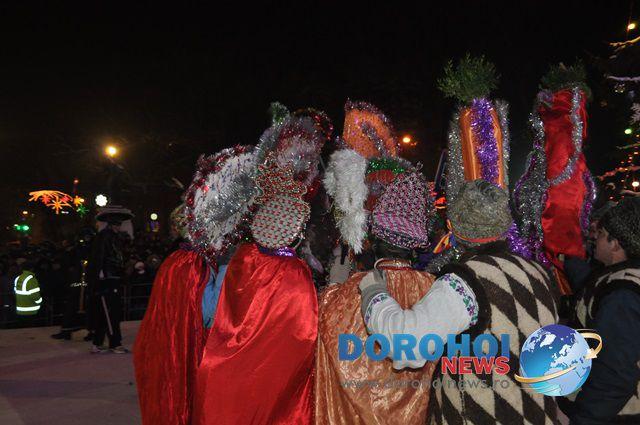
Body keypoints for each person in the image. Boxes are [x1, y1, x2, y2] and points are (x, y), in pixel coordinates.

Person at [361, 180, 560, 424]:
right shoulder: (539, 272)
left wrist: (373, 292)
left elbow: (406, 345)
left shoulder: (465, 281)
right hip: (538, 414)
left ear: (452, 227)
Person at [192, 159, 318, 425]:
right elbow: (304, 332)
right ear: (295, 232)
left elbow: (221, 312)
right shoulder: (294, 271)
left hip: (231, 363)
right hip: (275, 373)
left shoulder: (243, 258)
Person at [316, 171, 437, 425]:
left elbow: (325, 321)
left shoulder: (351, 290)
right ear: (414, 247)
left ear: (375, 240)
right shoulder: (433, 289)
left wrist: (335, 282)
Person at [559, 198, 640, 424]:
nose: (594, 238)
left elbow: (614, 374)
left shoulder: (623, 295)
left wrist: (584, 419)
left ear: (615, 244)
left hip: (615, 415)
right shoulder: (620, 278)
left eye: (602, 234)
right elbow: (591, 286)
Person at [89, 207, 133, 354]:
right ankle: (115, 343)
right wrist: (101, 272)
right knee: (112, 311)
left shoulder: (114, 237)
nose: (119, 226)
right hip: (109, 277)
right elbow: (100, 256)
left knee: (105, 310)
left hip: (111, 276)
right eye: (117, 223)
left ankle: (97, 342)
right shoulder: (105, 236)